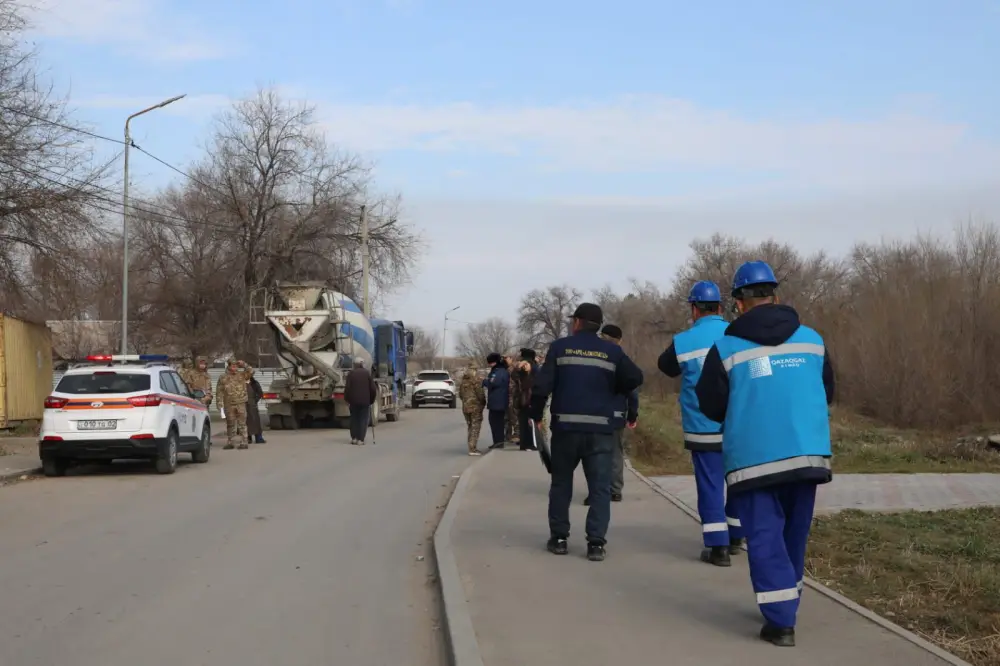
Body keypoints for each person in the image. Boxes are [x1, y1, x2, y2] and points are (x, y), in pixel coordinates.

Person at [695, 261, 835, 647]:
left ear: (739, 302)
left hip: (754, 459)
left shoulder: (726, 347)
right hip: (808, 455)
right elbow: (828, 391)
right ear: (775, 295)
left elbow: (710, 404)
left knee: (765, 537)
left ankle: (780, 621)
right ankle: (787, 601)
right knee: (794, 534)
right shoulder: (813, 339)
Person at [529, 303, 644, 562]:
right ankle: (596, 544)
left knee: (561, 484)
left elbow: (541, 386)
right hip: (600, 432)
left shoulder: (560, 348)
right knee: (600, 488)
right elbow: (635, 378)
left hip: (566, 430)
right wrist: (614, 385)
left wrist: (536, 416)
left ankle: (559, 539)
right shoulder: (611, 352)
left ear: (578, 322)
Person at [657, 280, 743, 566]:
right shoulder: (737, 333)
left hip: (702, 426)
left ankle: (718, 548)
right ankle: (736, 536)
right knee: (738, 481)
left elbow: (665, 366)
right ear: (720, 307)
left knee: (710, 486)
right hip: (738, 425)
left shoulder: (684, 341)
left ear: (694, 309)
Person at [583, 324, 638, 505]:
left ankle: (596, 490)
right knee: (615, 453)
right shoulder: (622, 359)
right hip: (616, 413)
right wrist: (632, 415)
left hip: (593, 413)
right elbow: (632, 390)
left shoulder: (594, 357)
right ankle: (615, 490)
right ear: (620, 340)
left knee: (594, 453)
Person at [216, 358, 252, 450]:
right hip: (229, 403)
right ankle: (230, 441)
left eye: (236, 366)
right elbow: (219, 391)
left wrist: (244, 364)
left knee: (242, 423)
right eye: (233, 366)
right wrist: (219, 404)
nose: (234, 367)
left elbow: (251, 371)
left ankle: (244, 441)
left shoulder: (242, 375)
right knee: (230, 423)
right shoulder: (223, 377)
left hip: (240, 403)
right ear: (229, 366)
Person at [344, 357, 377, 445]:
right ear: (362, 364)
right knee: (363, 419)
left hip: (353, 401)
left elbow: (347, 388)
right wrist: (371, 400)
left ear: (354, 365)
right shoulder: (367, 374)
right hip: (365, 401)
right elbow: (373, 389)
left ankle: (354, 438)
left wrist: (347, 399)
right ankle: (360, 439)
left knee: (354, 419)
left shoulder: (351, 374)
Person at [458, 361, 487, 455]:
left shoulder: (463, 381)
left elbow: (460, 395)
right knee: (475, 427)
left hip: (465, 407)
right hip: (475, 407)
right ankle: (472, 448)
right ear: (474, 370)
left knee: (470, 426)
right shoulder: (476, 380)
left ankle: (470, 446)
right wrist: (483, 403)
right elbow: (480, 394)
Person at [513, 348, 539, 451]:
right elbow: (514, 376)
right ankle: (526, 444)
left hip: (529, 398)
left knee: (529, 422)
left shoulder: (534, 370)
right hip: (524, 399)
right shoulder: (523, 371)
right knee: (524, 422)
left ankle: (530, 444)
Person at [483, 353, 510, 450]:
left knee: (496, 423)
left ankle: (499, 442)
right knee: (496, 422)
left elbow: (493, 382)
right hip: (498, 401)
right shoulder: (501, 370)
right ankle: (497, 442)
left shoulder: (498, 371)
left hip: (498, 401)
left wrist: (484, 381)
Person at [504, 354, 521, 447]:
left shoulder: (514, 368)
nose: (505, 359)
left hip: (513, 395)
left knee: (514, 415)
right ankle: (508, 435)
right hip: (508, 394)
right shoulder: (507, 368)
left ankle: (518, 434)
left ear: (511, 358)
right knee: (507, 417)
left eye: (506, 358)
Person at [246, 369, 266, 444]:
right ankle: (248, 438)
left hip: (252, 405)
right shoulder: (241, 383)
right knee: (246, 422)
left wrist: (255, 400)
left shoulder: (254, 383)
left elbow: (260, 393)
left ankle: (258, 437)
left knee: (256, 421)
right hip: (243, 405)